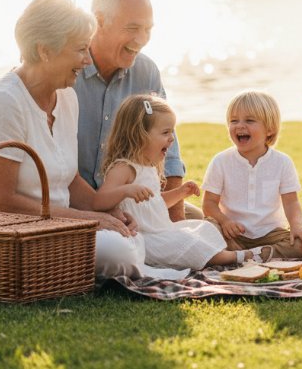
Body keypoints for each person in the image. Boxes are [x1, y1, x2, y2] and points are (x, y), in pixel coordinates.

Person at [0, 0, 169, 280]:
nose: (87, 59)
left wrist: (108, 211)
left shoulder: (66, 97)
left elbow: (70, 179)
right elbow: (1, 201)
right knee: (117, 253)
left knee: (131, 238)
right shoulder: (4, 101)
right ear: (45, 50)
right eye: (80, 49)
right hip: (5, 233)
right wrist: (91, 220)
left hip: (55, 226)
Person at [74, 0, 200, 222]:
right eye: (132, 28)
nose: (141, 40)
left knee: (198, 220)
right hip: (76, 204)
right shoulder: (68, 71)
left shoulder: (146, 72)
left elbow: (169, 146)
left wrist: (174, 224)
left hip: (133, 203)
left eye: (147, 29)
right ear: (99, 21)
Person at [93, 94, 272, 269]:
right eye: (165, 132)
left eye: (172, 131)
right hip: (145, 238)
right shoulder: (124, 168)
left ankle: (224, 253)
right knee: (188, 242)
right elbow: (98, 202)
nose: (171, 138)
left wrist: (180, 193)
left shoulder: (147, 167)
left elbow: (156, 204)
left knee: (202, 228)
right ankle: (237, 256)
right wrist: (125, 191)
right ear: (140, 135)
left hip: (163, 230)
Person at [201, 91, 302, 259]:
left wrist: (297, 226)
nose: (239, 126)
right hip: (232, 234)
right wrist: (225, 222)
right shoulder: (221, 161)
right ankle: (247, 253)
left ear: (269, 130)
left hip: (269, 234)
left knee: (301, 245)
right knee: (207, 228)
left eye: (249, 120)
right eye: (234, 121)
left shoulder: (282, 162)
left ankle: (245, 255)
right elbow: (209, 204)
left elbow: (291, 202)